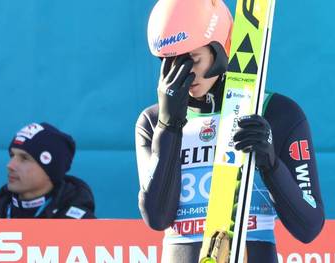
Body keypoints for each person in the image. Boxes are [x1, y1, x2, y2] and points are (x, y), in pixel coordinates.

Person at [135, 0, 325, 262]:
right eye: (169, 61)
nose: (183, 74)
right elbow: (158, 217)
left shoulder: (277, 113)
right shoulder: (152, 121)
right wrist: (169, 127)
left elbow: (309, 225)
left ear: (219, 47)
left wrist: (270, 165)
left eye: (192, 58)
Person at [0, 122, 96, 219]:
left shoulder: (80, 226)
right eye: (12, 156)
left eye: (24, 158)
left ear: (51, 170)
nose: (10, 165)